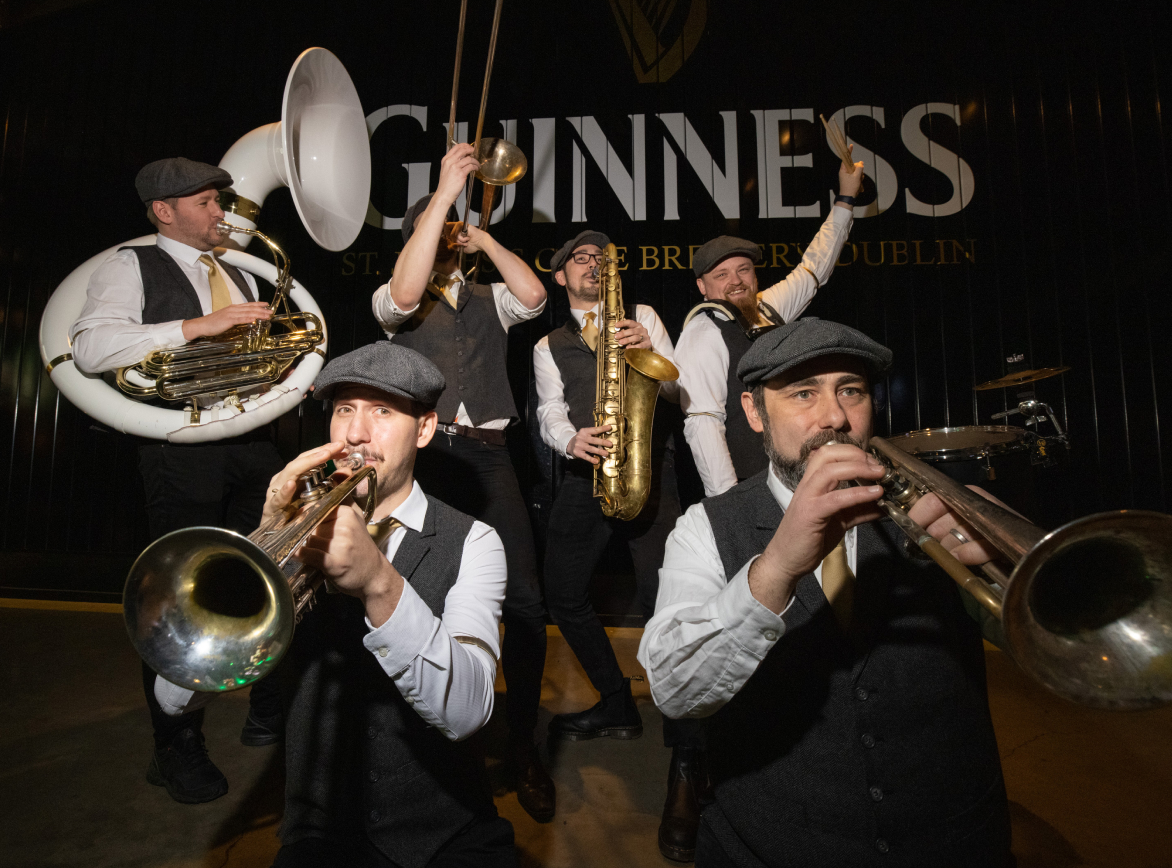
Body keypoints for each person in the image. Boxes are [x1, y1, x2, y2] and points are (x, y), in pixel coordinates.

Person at [638, 318, 1012, 867]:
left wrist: (1013, 568)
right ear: (752, 414)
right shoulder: (704, 528)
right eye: (803, 393)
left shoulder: (934, 511)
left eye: (851, 391)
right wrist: (776, 568)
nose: (834, 417)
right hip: (767, 849)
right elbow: (675, 690)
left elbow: (1053, 650)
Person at [155, 341, 517, 868]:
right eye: (344, 409)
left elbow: (467, 711)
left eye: (382, 411)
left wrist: (379, 583)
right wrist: (264, 542)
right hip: (320, 835)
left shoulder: (475, 542)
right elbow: (171, 696)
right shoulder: (294, 536)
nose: (355, 433)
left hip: (450, 832)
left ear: (424, 428)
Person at [69, 157, 285, 803]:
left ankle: (270, 709)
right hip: (181, 448)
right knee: (181, 600)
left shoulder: (243, 268)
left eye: (220, 200)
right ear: (164, 210)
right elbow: (92, 347)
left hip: (254, 443)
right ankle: (176, 746)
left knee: (277, 574)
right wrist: (197, 326)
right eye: (206, 202)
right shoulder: (128, 264)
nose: (221, 212)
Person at [369, 143, 554, 821]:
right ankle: (436, 737)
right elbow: (408, 291)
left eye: (451, 233)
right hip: (429, 454)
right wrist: (444, 198)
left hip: (491, 453)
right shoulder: (395, 299)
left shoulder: (489, 296)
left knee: (527, 604)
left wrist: (483, 235)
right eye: (436, 230)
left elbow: (534, 297)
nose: (447, 238)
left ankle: (524, 743)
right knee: (425, 592)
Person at [533, 229, 706, 862]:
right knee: (563, 595)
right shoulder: (548, 343)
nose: (590, 265)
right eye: (578, 258)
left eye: (599, 259)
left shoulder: (645, 317)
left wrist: (647, 350)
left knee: (674, 602)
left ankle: (688, 758)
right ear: (560, 277)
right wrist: (568, 440)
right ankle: (614, 702)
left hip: (649, 470)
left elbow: (679, 392)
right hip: (588, 471)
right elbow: (550, 409)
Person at [676, 155, 865, 498]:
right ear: (703, 287)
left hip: (797, 478)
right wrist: (731, 504)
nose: (736, 281)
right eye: (722, 275)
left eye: (743, 269)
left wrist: (846, 198)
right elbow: (704, 425)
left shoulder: (765, 307)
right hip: (755, 489)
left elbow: (814, 268)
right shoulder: (702, 333)